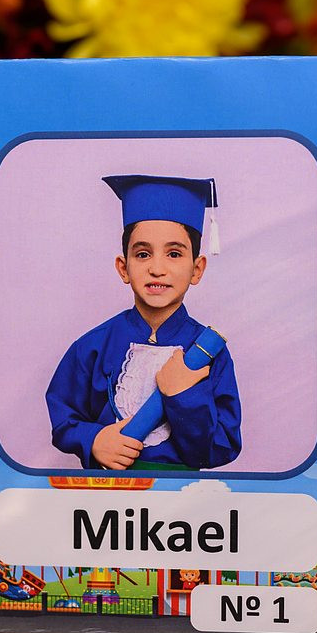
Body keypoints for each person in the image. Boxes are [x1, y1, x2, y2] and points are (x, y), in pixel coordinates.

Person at [46, 174, 242, 471]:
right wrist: (94, 440)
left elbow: (221, 447)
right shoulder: (92, 346)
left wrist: (184, 395)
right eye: (142, 254)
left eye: (174, 254)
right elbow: (64, 420)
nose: (157, 268)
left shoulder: (209, 353)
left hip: (183, 496)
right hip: (106, 491)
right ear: (123, 267)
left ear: (197, 269)